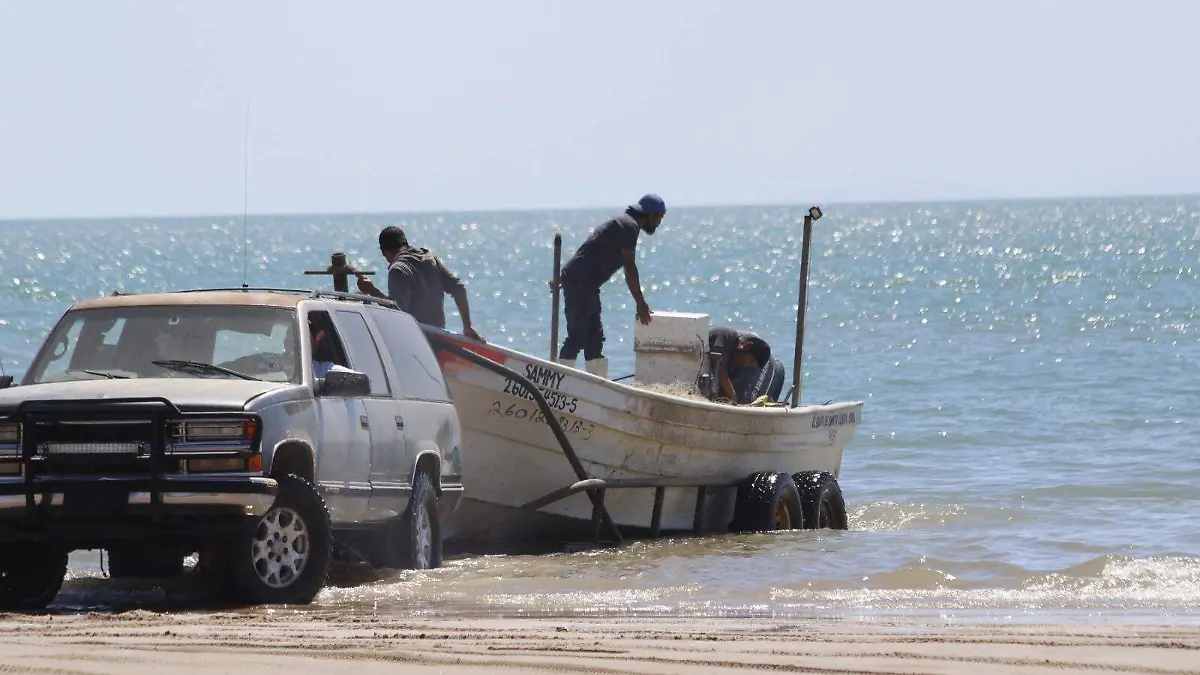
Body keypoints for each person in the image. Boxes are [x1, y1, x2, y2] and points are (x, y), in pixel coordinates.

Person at [555, 194, 665, 377]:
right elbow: (629, 266)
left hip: (586, 285)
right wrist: (640, 302)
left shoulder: (622, 223)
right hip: (581, 283)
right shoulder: (628, 226)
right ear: (651, 215)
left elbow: (587, 250)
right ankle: (561, 382)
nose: (659, 223)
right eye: (660, 218)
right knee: (578, 336)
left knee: (595, 339)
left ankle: (597, 385)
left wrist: (564, 276)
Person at [355, 226, 486, 343]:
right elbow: (459, 287)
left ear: (384, 252)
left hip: (416, 343)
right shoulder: (430, 258)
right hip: (439, 338)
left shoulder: (398, 269)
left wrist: (371, 291)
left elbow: (398, 312)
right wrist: (467, 326)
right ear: (405, 242)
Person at [704, 326, 784, 404]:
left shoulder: (738, 363)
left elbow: (723, 381)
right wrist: (732, 396)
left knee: (745, 401)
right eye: (749, 361)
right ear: (746, 346)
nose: (746, 364)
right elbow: (719, 366)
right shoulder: (726, 335)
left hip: (769, 366)